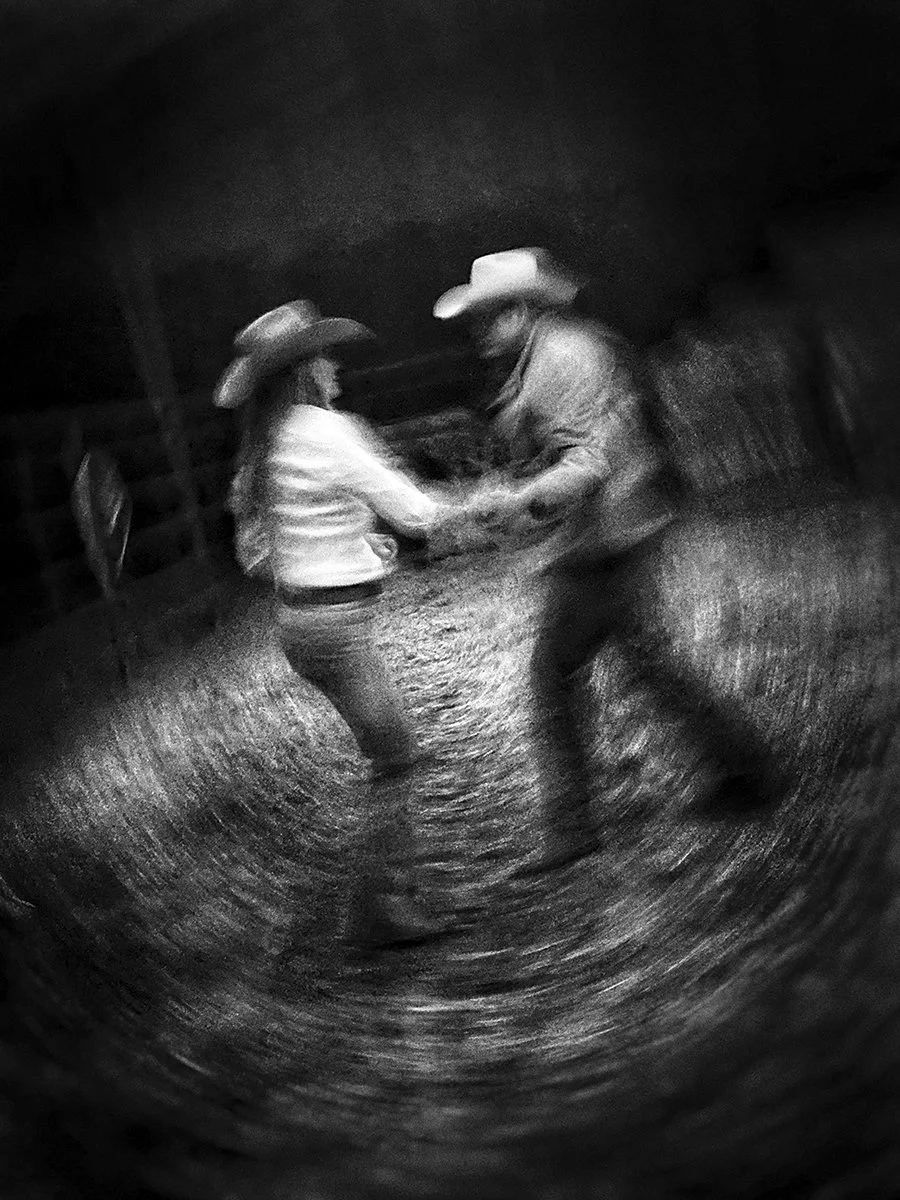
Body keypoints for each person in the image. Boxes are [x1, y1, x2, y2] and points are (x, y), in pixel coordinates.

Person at [433, 248, 772, 877]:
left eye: (488, 316)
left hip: (605, 537)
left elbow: (585, 463)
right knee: (646, 661)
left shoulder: (559, 361)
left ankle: (572, 829)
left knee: (554, 676)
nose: (478, 331)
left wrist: (515, 501)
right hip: (615, 528)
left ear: (522, 309)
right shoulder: (556, 350)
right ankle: (745, 768)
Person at [215, 299, 452, 945]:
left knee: (390, 755)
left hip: (303, 622)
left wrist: (352, 548)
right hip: (336, 628)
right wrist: (473, 505)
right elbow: (414, 510)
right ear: (304, 371)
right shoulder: (324, 430)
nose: (334, 364)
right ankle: (381, 908)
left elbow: (255, 554)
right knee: (398, 759)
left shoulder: (262, 449)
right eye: (323, 354)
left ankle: (382, 901)